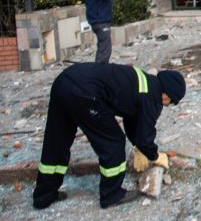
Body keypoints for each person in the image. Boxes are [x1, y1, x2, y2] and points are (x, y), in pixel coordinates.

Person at [32, 63, 186, 209]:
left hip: (64, 81)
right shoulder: (152, 97)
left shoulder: (143, 81)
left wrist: (138, 147)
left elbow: (132, 121)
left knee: (57, 141)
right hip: (85, 94)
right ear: (167, 93)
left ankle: (44, 196)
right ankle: (111, 195)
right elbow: (145, 135)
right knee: (114, 142)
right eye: (171, 101)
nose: (167, 104)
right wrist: (154, 155)